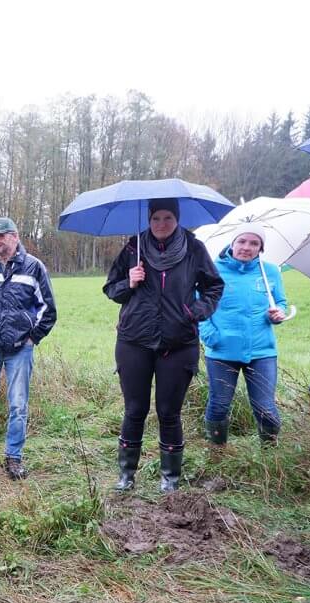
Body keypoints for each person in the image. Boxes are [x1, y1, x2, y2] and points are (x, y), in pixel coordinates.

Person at [103, 198, 224, 493]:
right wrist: (129, 282)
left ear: (177, 219)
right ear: (149, 219)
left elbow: (214, 286)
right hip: (134, 340)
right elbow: (111, 289)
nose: (161, 224)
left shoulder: (194, 248)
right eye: (156, 218)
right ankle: (126, 475)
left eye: (168, 217)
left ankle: (170, 478)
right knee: (134, 409)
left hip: (178, 342)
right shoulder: (134, 247)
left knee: (169, 412)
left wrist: (194, 312)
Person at [0, 217, 57, 480]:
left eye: (0, 236)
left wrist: (32, 338)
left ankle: (14, 457)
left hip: (20, 349)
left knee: (18, 405)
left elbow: (48, 309)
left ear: (14, 236)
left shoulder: (34, 267)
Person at [200, 226, 287, 445]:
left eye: (254, 243)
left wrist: (278, 314)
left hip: (262, 351)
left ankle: (270, 454)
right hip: (222, 351)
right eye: (242, 241)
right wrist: (210, 336)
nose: (247, 247)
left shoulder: (270, 272)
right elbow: (197, 306)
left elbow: (280, 302)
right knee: (219, 405)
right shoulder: (212, 270)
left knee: (265, 408)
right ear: (232, 243)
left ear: (261, 248)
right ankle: (217, 452)